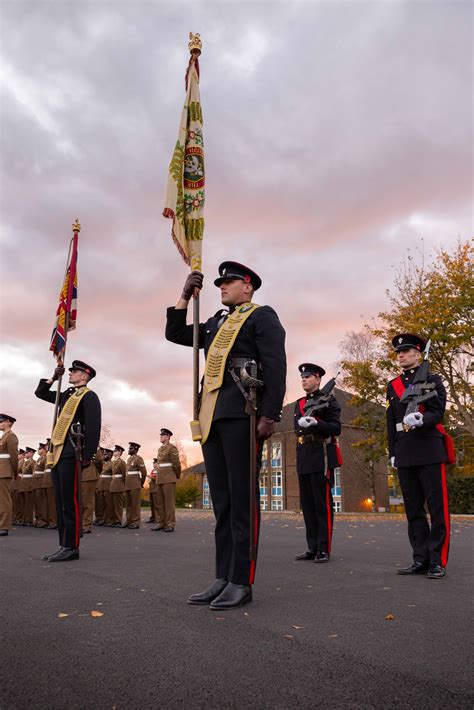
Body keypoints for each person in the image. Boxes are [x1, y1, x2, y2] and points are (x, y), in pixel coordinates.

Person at [166, 262, 286, 609]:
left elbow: (276, 365)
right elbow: (175, 334)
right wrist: (185, 296)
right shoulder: (216, 322)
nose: (222, 287)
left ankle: (241, 580)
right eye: (219, 283)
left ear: (247, 286)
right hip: (212, 417)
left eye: (229, 282)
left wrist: (269, 414)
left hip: (243, 415)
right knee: (222, 503)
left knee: (242, 500)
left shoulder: (262, 317)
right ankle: (222, 576)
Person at [387, 333, 451, 579]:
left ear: (418, 354)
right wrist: (392, 452)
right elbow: (390, 421)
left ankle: (438, 560)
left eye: (406, 351)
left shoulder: (433, 380)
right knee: (413, 510)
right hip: (405, 450)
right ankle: (420, 558)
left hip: (429, 448)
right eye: (398, 352)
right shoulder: (393, 385)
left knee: (437, 508)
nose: (401, 355)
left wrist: (423, 419)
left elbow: (438, 411)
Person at [35, 359, 101, 562]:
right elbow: (41, 393)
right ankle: (64, 543)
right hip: (58, 452)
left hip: (73, 452)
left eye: (75, 371)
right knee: (61, 501)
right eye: (70, 371)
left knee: (70, 502)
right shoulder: (67, 395)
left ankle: (72, 546)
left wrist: (87, 456)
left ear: (85, 375)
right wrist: (54, 377)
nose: (70, 374)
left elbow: (93, 427)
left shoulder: (89, 396)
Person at [293, 363, 342, 563]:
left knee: (322, 504)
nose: (304, 380)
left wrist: (317, 423)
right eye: (302, 377)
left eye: (308, 377)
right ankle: (312, 547)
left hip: (320, 453)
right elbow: (297, 431)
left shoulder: (329, 401)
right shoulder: (299, 403)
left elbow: (336, 428)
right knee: (308, 504)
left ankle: (324, 548)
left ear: (318, 379)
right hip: (304, 454)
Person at [151, 428, 181, 532]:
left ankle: (170, 524)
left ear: (168, 437)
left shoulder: (172, 448)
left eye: (163, 435)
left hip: (169, 477)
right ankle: (161, 522)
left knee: (169, 502)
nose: (161, 437)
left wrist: (176, 476)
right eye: (160, 435)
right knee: (160, 502)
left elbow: (176, 464)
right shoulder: (160, 449)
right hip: (160, 478)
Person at [0, 413, 19, 536]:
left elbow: (14, 457)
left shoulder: (11, 437)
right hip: (1, 471)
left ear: (9, 422)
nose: (0, 423)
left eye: (2, 421)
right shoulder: (3, 437)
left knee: (4, 500)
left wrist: (15, 472)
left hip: (5, 472)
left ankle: (4, 526)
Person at [123, 442, 147, 529]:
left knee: (135, 504)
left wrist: (141, 483)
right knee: (128, 504)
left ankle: (135, 522)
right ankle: (129, 520)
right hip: (128, 484)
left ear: (135, 449)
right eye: (129, 448)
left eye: (131, 448)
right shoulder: (129, 459)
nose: (129, 450)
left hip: (135, 484)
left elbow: (144, 472)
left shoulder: (139, 459)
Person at [82, 447, 103, 534]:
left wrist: (95, 472)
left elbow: (99, 460)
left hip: (88, 475)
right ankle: (81, 523)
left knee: (87, 502)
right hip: (78, 474)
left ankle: (86, 525)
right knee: (80, 501)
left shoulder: (91, 443)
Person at [94, 448, 113, 526]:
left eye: (106, 454)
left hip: (108, 486)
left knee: (108, 504)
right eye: (103, 454)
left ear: (110, 455)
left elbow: (114, 476)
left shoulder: (112, 464)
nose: (104, 455)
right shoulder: (103, 464)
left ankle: (108, 520)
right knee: (100, 504)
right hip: (100, 485)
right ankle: (101, 518)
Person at [109, 445, 126, 527]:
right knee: (112, 504)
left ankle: (118, 520)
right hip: (113, 484)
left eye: (115, 451)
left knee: (118, 505)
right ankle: (113, 520)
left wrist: (122, 485)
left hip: (119, 484)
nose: (114, 452)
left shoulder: (122, 462)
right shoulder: (113, 462)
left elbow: (124, 475)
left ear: (119, 452)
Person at [18, 447, 35, 526]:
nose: (26, 454)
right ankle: (24, 519)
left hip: (28, 484)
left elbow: (33, 474)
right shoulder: (25, 463)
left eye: (27, 453)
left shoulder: (32, 462)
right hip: (23, 484)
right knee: (23, 504)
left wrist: (31, 485)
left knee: (29, 504)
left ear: (32, 453)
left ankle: (29, 520)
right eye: (25, 453)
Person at [32, 443, 48, 528]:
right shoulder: (39, 459)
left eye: (40, 448)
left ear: (44, 450)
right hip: (35, 483)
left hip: (41, 482)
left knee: (41, 503)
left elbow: (45, 471)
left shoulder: (45, 458)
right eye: (38, 448)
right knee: (37, 503)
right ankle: (38, 519)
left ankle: (43, 519)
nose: (39, 450)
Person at [147, 458, 159, 524]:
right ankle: (153, 518)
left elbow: (157, 479)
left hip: (156, 489)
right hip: (151, 489)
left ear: (158, 464)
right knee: (152, 505)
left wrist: (150, 477)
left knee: (156, 505)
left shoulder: (159, 470)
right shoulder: (153, 470)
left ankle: (158, 518)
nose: (153, 464)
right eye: (153, 463)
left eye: (155, 463)